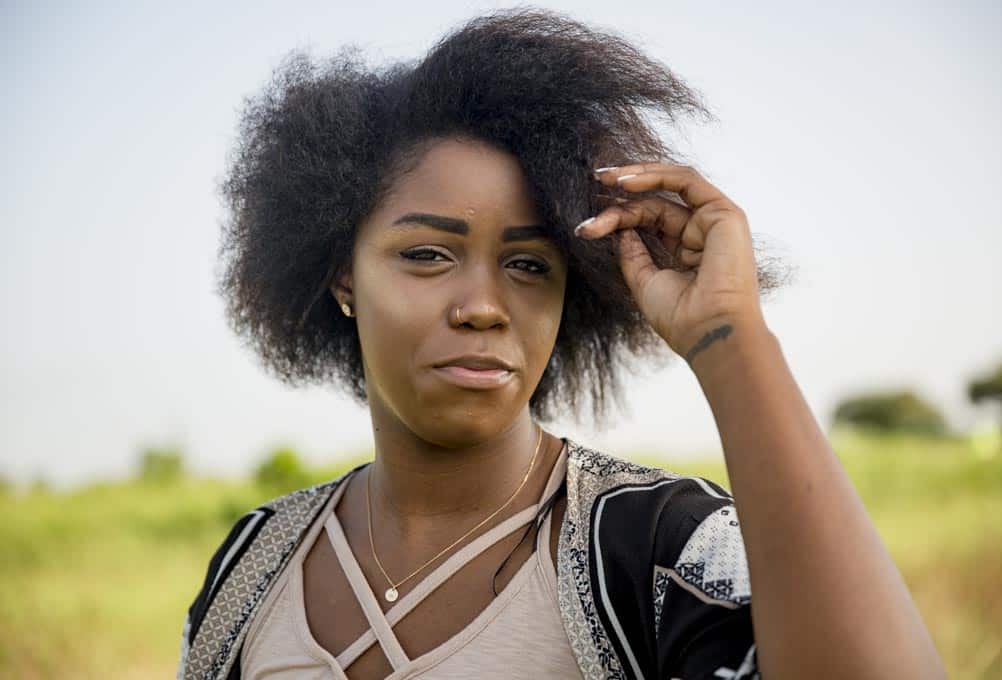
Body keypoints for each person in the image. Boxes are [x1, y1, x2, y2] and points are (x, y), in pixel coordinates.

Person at [178, 8, 945, 680]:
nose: (483, 306)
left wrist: (731, 334)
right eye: (426, 255)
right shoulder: (255, 562)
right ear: (344, 276)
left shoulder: (665, 552)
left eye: (527, 264)